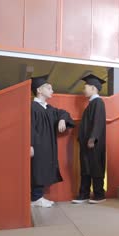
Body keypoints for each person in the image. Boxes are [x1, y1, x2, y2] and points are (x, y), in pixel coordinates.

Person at [30, 74, 75, 208]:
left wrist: (62, 119)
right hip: (37, 144)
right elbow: (29, 127)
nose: (52, 91)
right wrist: (30, 145)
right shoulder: (32, 107)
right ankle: (35, 198)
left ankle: (38, 197)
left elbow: (64, 113)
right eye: (49, 88)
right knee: (37, 169)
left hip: (48, 145)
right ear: (39, 90)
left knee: (43, 168)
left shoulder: (49, 109)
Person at [72, 74, 107, 204]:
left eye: (85, 87)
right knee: (86, 168)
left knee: (95, 167)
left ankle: (99, 194)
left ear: (93, 88)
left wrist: (93, 138)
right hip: (86, 143)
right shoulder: (91, 104)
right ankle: (84, 194)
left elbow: (98, 122)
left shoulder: (98, 103)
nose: (83, 89)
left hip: (94, 144)